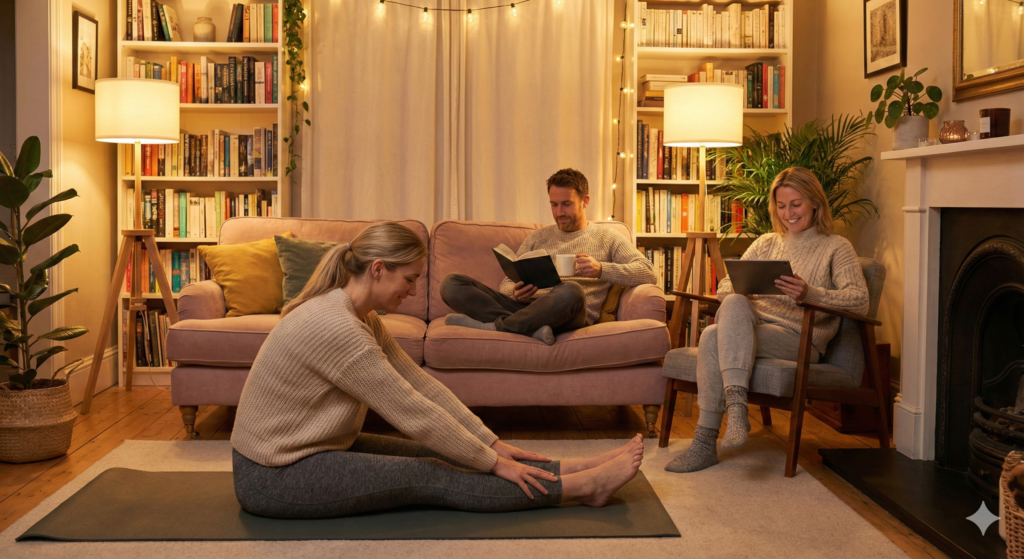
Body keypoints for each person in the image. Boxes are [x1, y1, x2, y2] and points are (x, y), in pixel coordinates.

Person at [231, 221, 645, 518]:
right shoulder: (336, 326)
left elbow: (420, 384)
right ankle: (582, 487)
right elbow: (411, 411)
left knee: (444, 450)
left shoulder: (361, 316)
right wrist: (492, 462)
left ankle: (568, 469)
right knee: (433, 472)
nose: (414, 290)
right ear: (378, 268)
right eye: (409, 279)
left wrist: (489, 442)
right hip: (274, 475)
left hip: (313, 448)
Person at [665, 167, 870, 473]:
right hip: (753, 329)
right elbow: (725, 285)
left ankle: (705, 441)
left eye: (796, 204)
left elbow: (860, 300)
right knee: (732, 302)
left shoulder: (836, 247)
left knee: (711, 336)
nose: (788, 213)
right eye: (781, 205)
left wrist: (810, 294)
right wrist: (741, 286)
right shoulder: (766, 242)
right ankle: (735, 408)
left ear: (815, 202)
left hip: (799, 338)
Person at [440, 168, 657, 345]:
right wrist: (515, 293)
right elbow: (507, 282)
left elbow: (648, 272)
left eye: (566, 204)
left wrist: (601, 269)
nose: (559, 212)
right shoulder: (538, 238)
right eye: (554, 205)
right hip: (526, 309)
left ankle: (498, 327)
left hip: (569, 314)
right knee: (452, 283)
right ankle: (531, 329)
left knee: (571, 290)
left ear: (585, 201)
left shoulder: (608, 237)